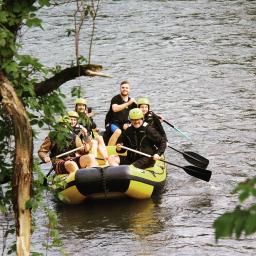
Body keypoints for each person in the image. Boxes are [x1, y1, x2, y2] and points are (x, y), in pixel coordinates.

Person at [105, 80, 137, 146]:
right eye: (123, 87)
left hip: (124, 123)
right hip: (112, 123)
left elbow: (140, 111)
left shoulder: (131, 101)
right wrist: (128, 103)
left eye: (126, 88)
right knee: (118, 131)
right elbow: (115, 109)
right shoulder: (115, 98)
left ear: (129, 90)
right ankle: (109, 150)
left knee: (133, 128)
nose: (124, 89)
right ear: (120, 89)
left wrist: (156, 117)